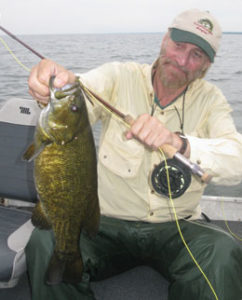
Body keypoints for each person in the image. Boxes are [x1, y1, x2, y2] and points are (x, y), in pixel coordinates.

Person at [26, 8, 242, 300]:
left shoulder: (211, 100)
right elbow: (80, 103)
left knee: (223, 250)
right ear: (165, 39)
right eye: (179, 45)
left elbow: (236, 158)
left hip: (176, 229)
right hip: (105, 223)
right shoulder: (119, 76)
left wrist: (179, 142)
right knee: (45, 241)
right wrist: (56, 83)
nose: (182, 59)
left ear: (206, 66)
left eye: (197, 55)